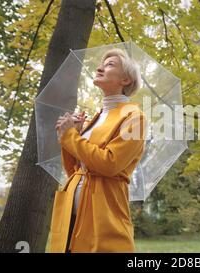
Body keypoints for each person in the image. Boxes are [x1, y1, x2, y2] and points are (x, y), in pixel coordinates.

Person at [50, 48, 146, 253]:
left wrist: (70, 137)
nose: (100, 67)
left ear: (126, 80)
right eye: (102, 64)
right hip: (70, 217)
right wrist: (69, 136)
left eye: (110, 64)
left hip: (103, 214)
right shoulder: (97, 117)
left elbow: (109, 163)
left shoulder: (135, 117)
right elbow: (75, 169)